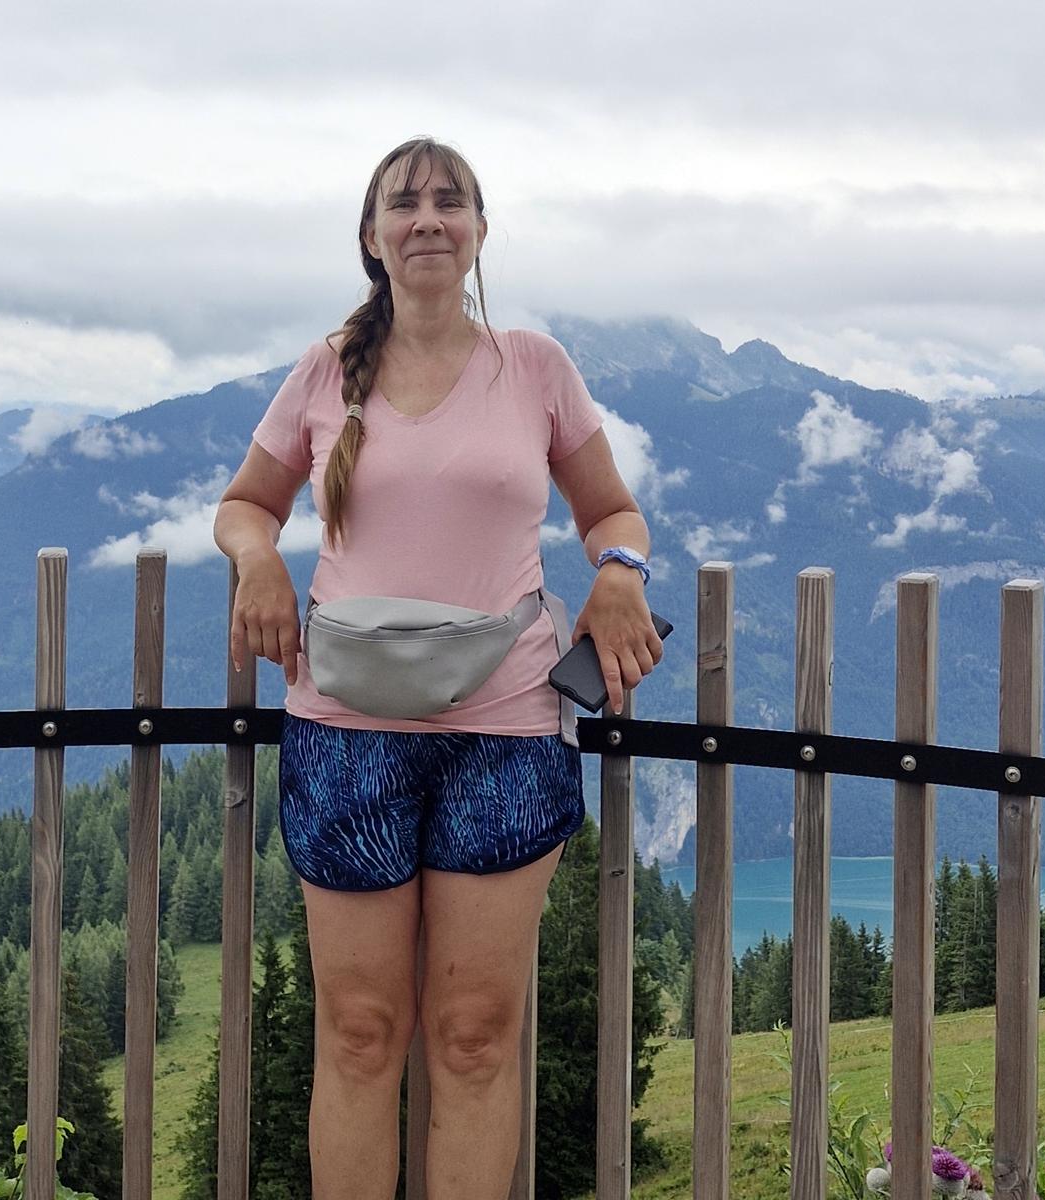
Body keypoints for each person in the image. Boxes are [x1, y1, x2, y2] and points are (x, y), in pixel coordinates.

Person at [212, 136, 662, 1199]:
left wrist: (620, 572)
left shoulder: (535, 368)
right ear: (371, 238)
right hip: (346, 729)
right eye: (404, 204)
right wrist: (256, 561)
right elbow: (245, 505)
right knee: (361, 1032)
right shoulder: (325, 369)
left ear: (479, 231)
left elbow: (611, 510)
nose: (427, 219)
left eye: (449, 202)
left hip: (505, 732)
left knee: (473, 1036)